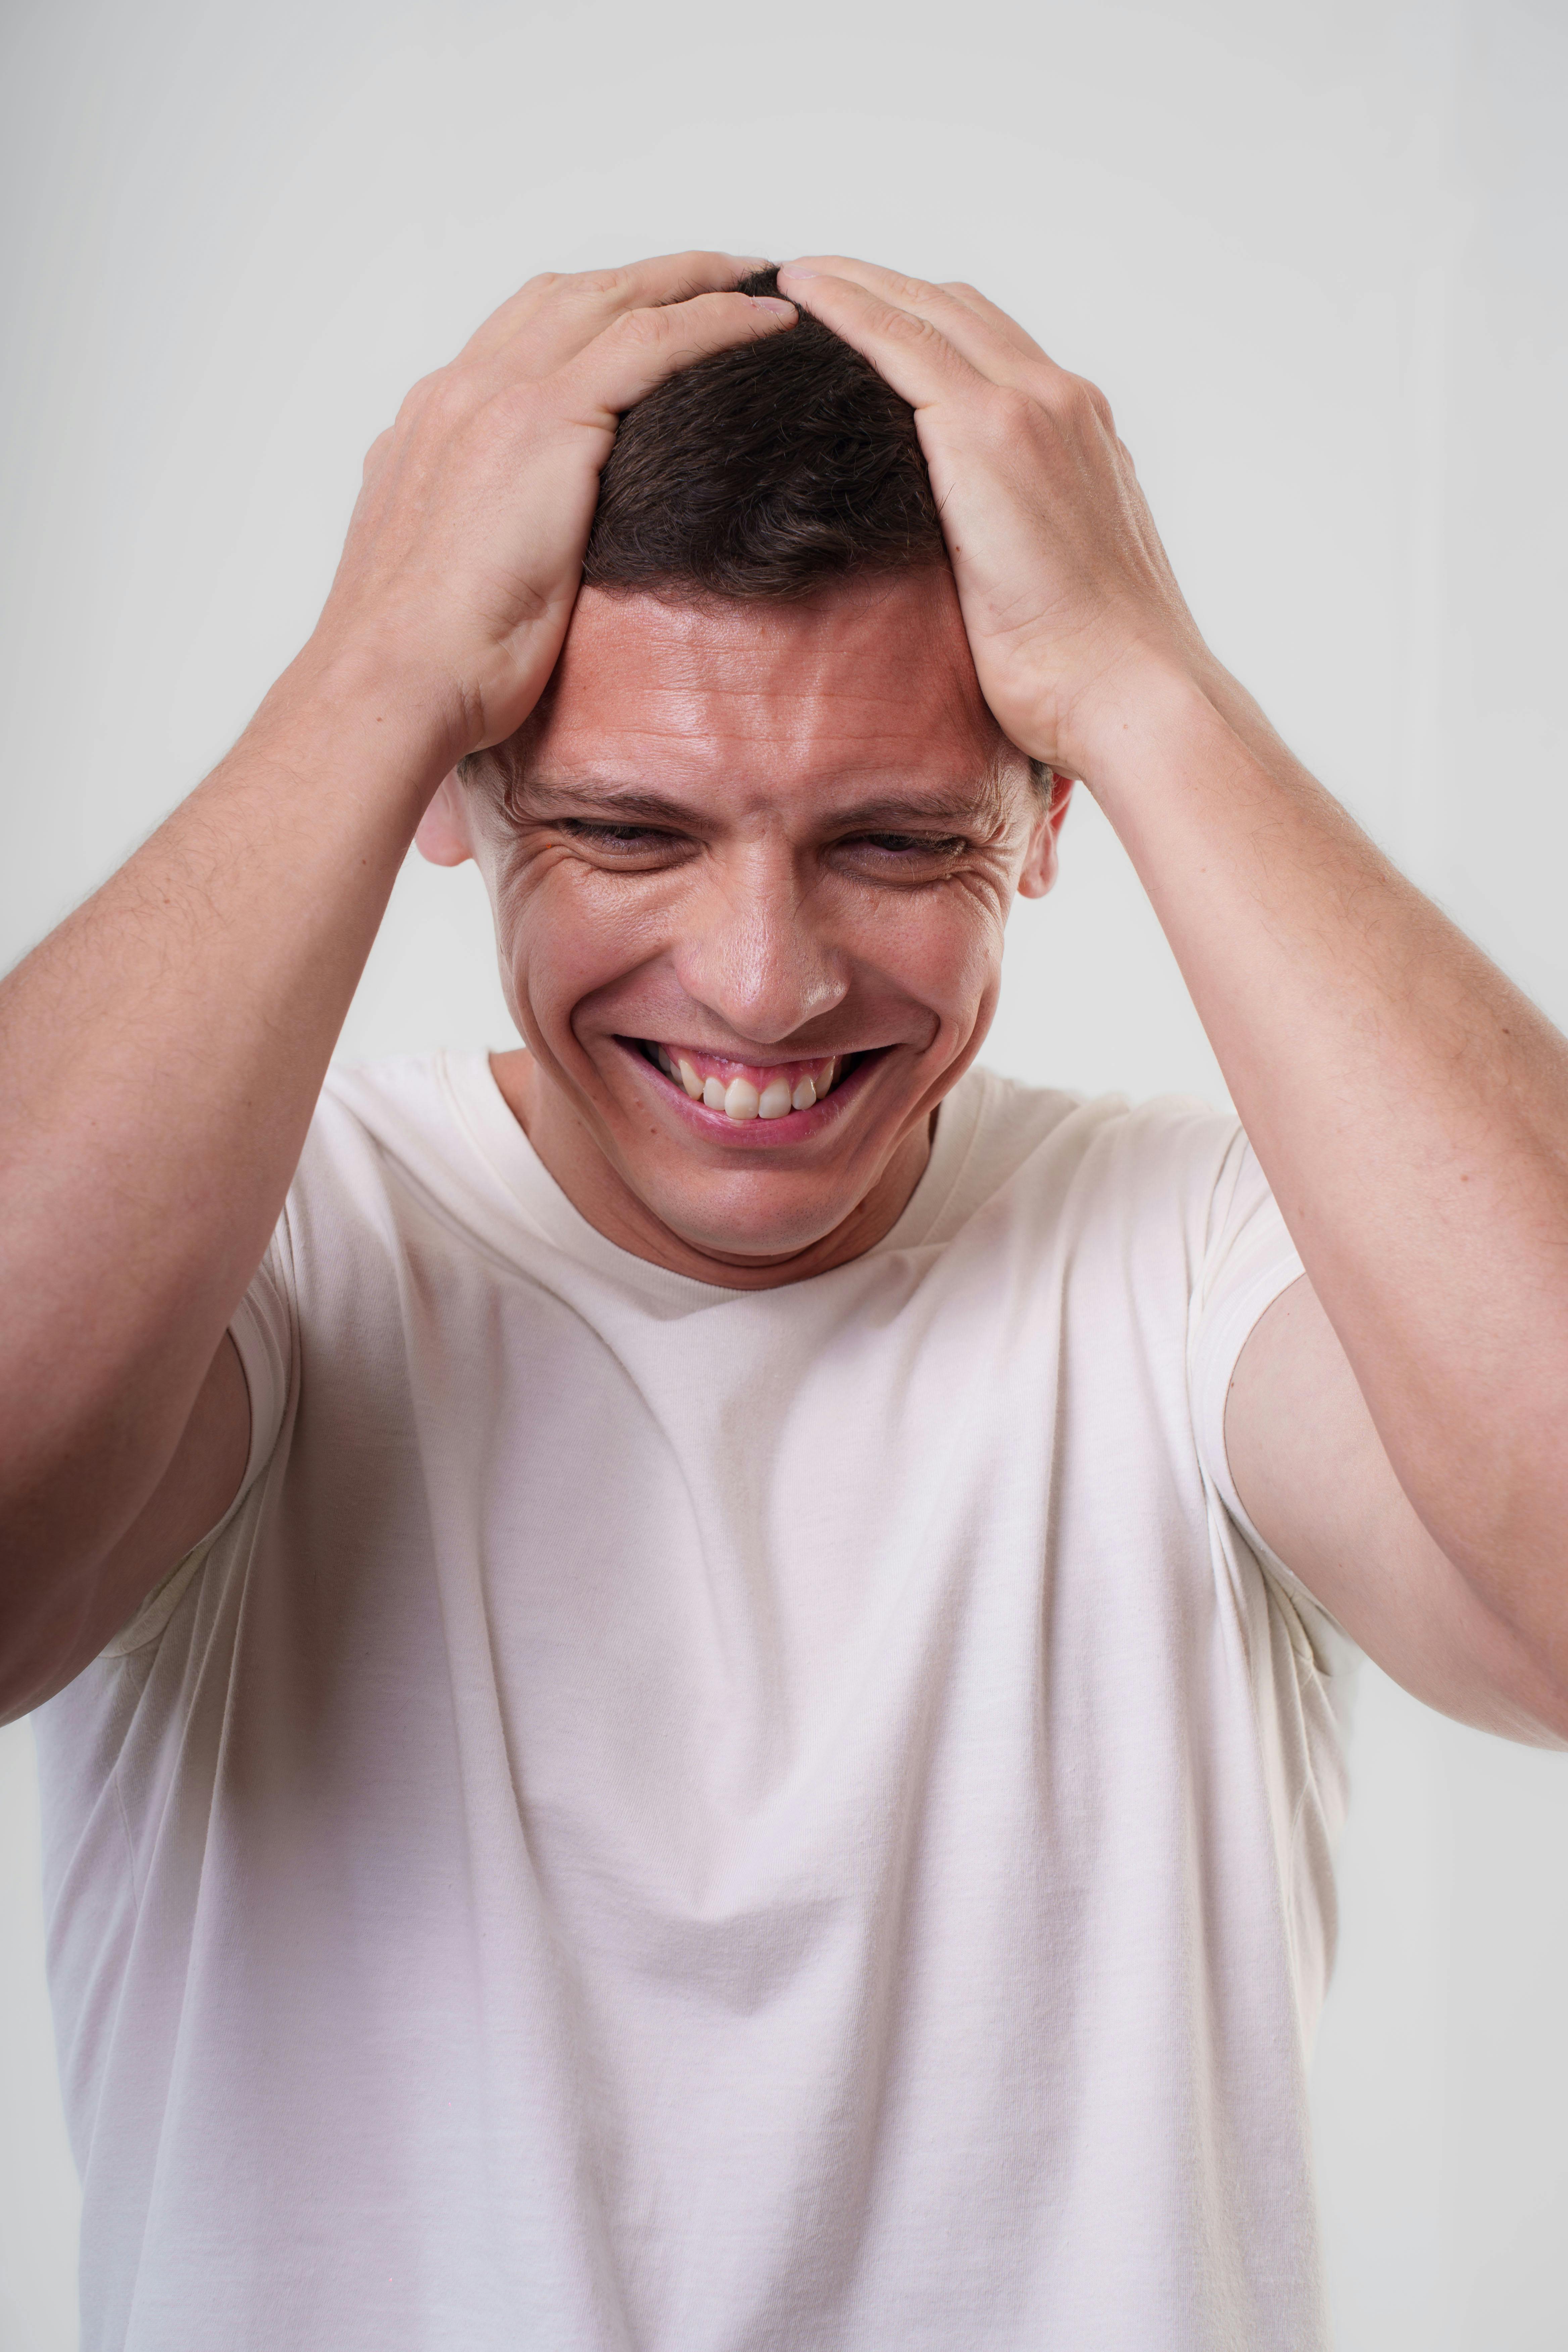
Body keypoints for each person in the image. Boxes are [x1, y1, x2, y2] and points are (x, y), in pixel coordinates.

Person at [1, 248, 1564, 2352]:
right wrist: (368, 673)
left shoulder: (1199, 1265)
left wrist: (1152, 684)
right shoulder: (267, 1248)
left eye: (899, 844)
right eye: (628, 832)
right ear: (462, 803)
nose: (764, 979)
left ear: (1044, 820)